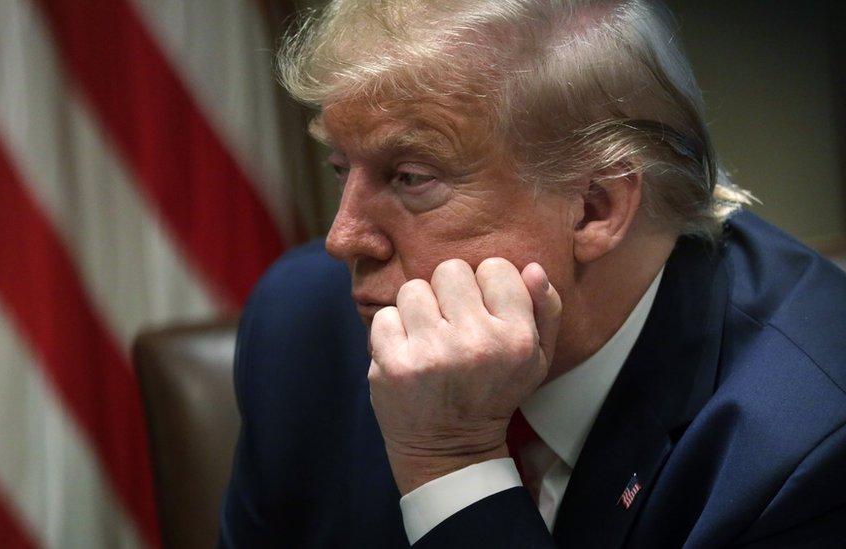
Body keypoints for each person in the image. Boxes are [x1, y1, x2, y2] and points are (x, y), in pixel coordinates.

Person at [219, 0, 846, 546]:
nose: (342, 238)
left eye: (410, 177)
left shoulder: (808, 443)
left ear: (595, 209)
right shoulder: (301, 325)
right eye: (340, 169)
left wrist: (453, 463)